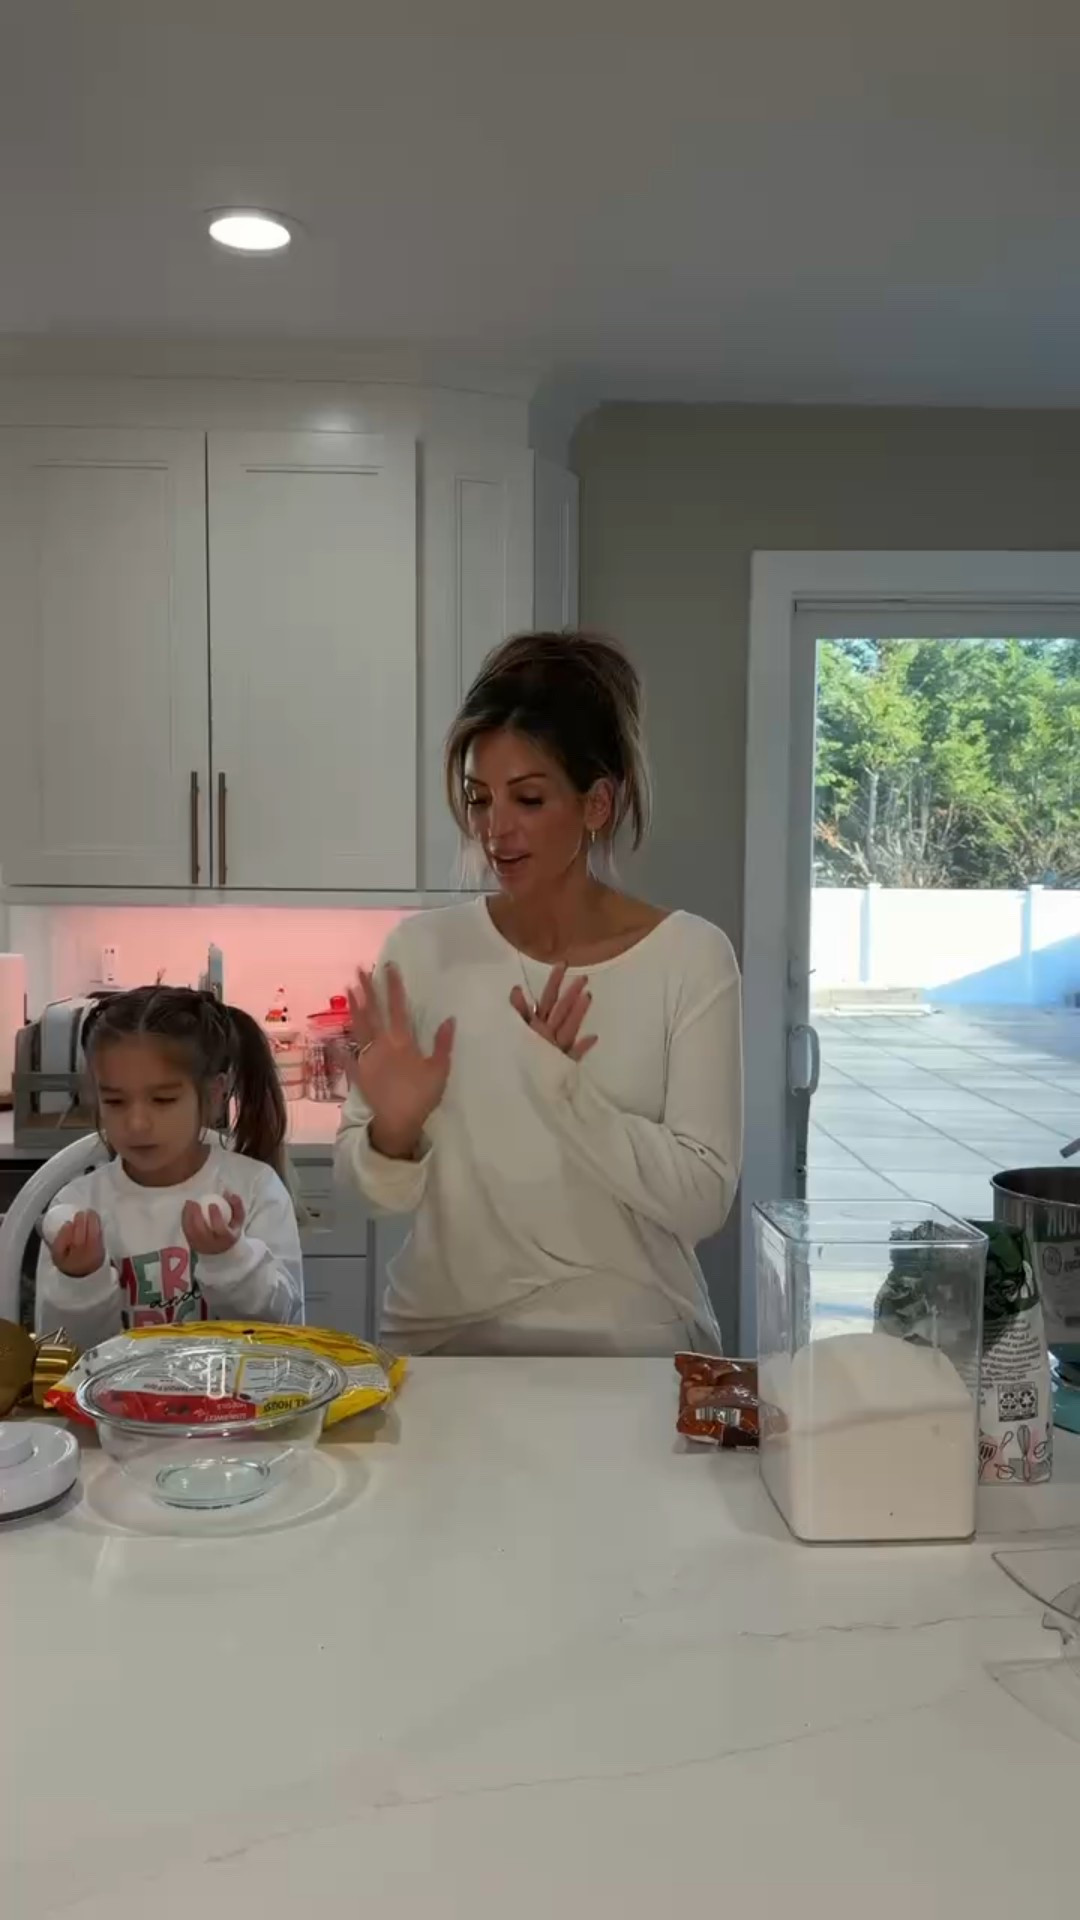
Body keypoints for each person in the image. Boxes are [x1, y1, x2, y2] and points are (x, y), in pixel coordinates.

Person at [336, 631, 742, 1355]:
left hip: (630, 1343)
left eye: (527, 798)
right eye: (479, 798)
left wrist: (563, 1094)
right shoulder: (423, 951)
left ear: (597, 804)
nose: (495, 830)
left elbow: (701, 1201)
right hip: (443, 1345)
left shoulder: (691, 957)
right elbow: (372, 1196)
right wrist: (391, 1132)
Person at [35, 986, 303, 1349]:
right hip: (121, 1404)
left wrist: (231, 1258)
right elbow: (62, 1352)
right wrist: (79, 1280)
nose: (137, 1124)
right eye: (115, 1101)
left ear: (213, 1095)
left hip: (236, 1401)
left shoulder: (254, 1189)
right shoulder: (80, 1205)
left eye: (163, 1100)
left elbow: (283, 1332)